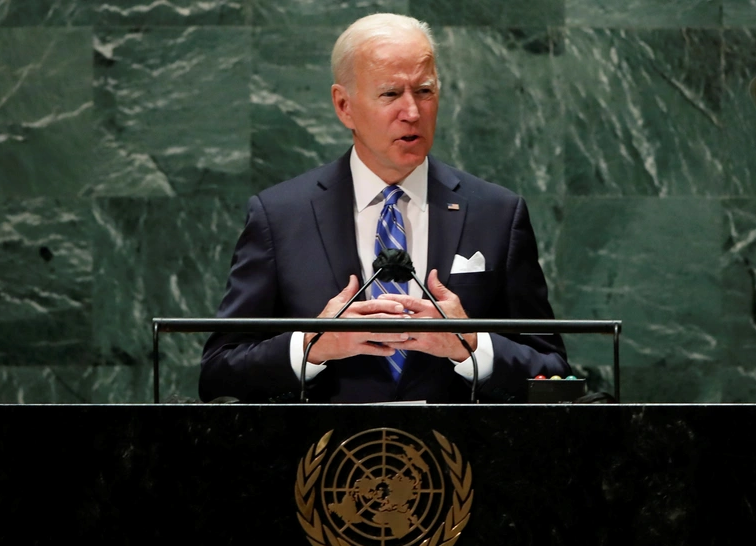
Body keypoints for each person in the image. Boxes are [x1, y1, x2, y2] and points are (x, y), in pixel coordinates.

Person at [199, 13, 570, 403]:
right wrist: (312, 345)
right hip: (325, 457)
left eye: (425, 92)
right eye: (391, 94)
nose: (412, 112)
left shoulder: (496, 213)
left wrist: (472, 345)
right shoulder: (280, 216)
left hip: (462, 456)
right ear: (344, 106)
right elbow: (219, 373)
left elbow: (553, 371)